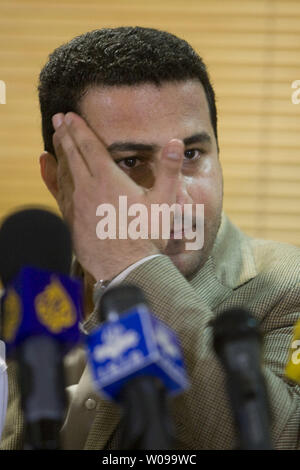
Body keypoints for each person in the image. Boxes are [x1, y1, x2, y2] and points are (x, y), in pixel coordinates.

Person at [1, 26, 300, 450]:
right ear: (57, 178)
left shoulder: (290, 287)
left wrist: (132, 266)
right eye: (130, 162)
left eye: (192, 155)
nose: (175, 199)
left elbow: (284, 438)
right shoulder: (38, 294)